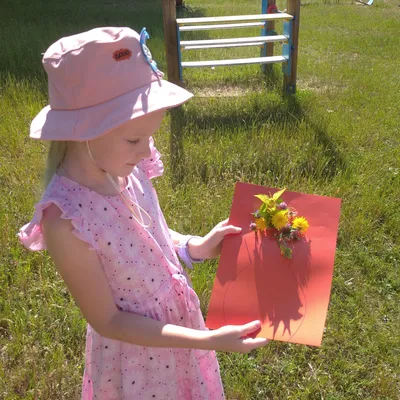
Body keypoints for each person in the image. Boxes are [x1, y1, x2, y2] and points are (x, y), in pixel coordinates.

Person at [18, 26, 268, 399]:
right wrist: (205, 340)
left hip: (181, 337)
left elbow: (151, 240)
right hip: (137, 363)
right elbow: (109, 320)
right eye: (136, 139)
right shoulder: (66, 220)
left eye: (150, 137)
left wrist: (195, 246)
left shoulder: (126, 167)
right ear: (82, 130)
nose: (145, 150)